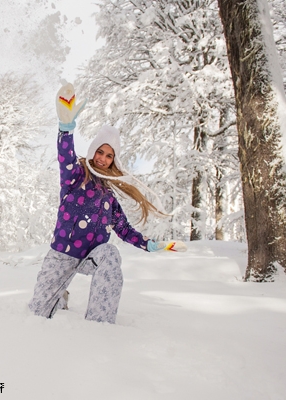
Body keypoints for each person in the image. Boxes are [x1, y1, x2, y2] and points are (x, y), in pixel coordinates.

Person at [28, 83, 186, 324]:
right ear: (93, 152)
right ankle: (60, 294)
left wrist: (152, 245)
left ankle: (99, 321)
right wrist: (66, 128)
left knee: (111, 254)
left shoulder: (108, 198)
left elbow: (124, 230)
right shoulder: (75, 177)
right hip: (62, 254)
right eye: (100, 152)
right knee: (37, 310)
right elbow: (65, 155)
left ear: (114, 160)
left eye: (109, 155)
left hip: (92, 256)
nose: (103, 158)